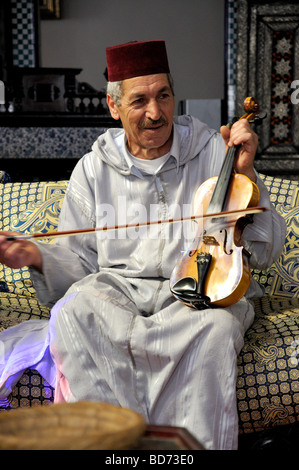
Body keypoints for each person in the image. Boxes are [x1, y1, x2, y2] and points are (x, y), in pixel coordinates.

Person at [0, 40, 286, 450]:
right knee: (71, 313)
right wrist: (36, 255)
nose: (155, 113)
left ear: (174, 96)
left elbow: (264, 252)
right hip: (119, 293)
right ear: (114, 106)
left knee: (218, 327)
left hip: (192, 295)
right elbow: (78, 261)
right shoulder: (93, 168)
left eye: (163, 96)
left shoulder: (213, 154)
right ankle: (115, 447)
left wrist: (246, 175)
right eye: (139, 100)